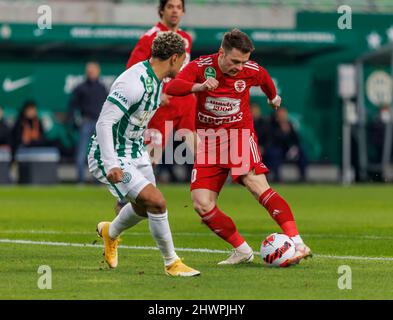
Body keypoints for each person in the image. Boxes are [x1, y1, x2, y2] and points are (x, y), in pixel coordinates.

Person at [166, 28, 312, 266]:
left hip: (239, 137)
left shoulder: (250, 70)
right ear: (221, 52)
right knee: (202, 204)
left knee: (256, 185)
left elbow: (265, 80)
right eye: (235, 61)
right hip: (209, 142)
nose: (240, 67)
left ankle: (297, 242)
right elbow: (171, 88)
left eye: (244, 61)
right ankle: (242, 250)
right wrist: (199, 87)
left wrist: (272, 98)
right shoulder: (202, 67)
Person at [88, 31, 200, 277]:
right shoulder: (133, 83)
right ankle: (172, 263)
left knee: (144, 206)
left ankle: (110, 232)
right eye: (183, 59)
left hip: (136, 150)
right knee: (157, 201)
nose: (184, 65)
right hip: (112, 155)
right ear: (173, 58)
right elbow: (104, 124)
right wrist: (111, 164)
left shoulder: (157, 78)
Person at [125, 0, 196, 187]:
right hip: (161, 107)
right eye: (170, 7)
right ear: (161, 10)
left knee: (198, 147)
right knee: (149, 160)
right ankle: (127, 197)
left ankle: (208, 197)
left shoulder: (186, 38)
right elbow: (133, 71)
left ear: (183, 11)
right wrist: (155, 95)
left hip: (185, 102)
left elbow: (185, 70)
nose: (174, 11)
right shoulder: (150, 38)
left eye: (178, 7)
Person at [68, 62, 108, 183]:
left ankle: (98, 181)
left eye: (93, 70)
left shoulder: (102, 88)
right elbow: (72, 106)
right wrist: (75, 120)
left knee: (99, 154)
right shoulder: (81, 87)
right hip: (86, 122)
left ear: (98, 71)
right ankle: (80, 180)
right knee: (81, 153)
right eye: (89, 70)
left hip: (99, 123)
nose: (91, 73)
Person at [264, 107, 308, 182]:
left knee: (301, 152)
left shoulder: (289, 124)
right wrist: (283, 132)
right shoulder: (272, 124)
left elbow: (295, 139)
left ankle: (303, 177)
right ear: (277, 115)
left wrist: (294, 148)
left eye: (284, 114)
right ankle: (276, 177)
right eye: (281, 114)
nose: (283, 116)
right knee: (275, 153)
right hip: (277, 149)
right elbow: (273, 140)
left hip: (287, 150)